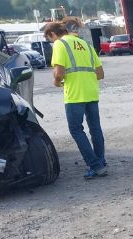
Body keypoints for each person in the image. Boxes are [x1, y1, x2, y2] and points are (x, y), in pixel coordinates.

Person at [44, 22, 107, 179]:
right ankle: (101, 161)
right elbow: (100, 73)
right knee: (95, 128)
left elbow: (58, 73)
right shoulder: (85, 43)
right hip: (91, 92)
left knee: (76, 130)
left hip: (74, 94)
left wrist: (57, 83)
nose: (51, 42)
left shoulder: (60, 44)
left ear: (52, 34)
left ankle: (95, 165)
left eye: (49, 39)